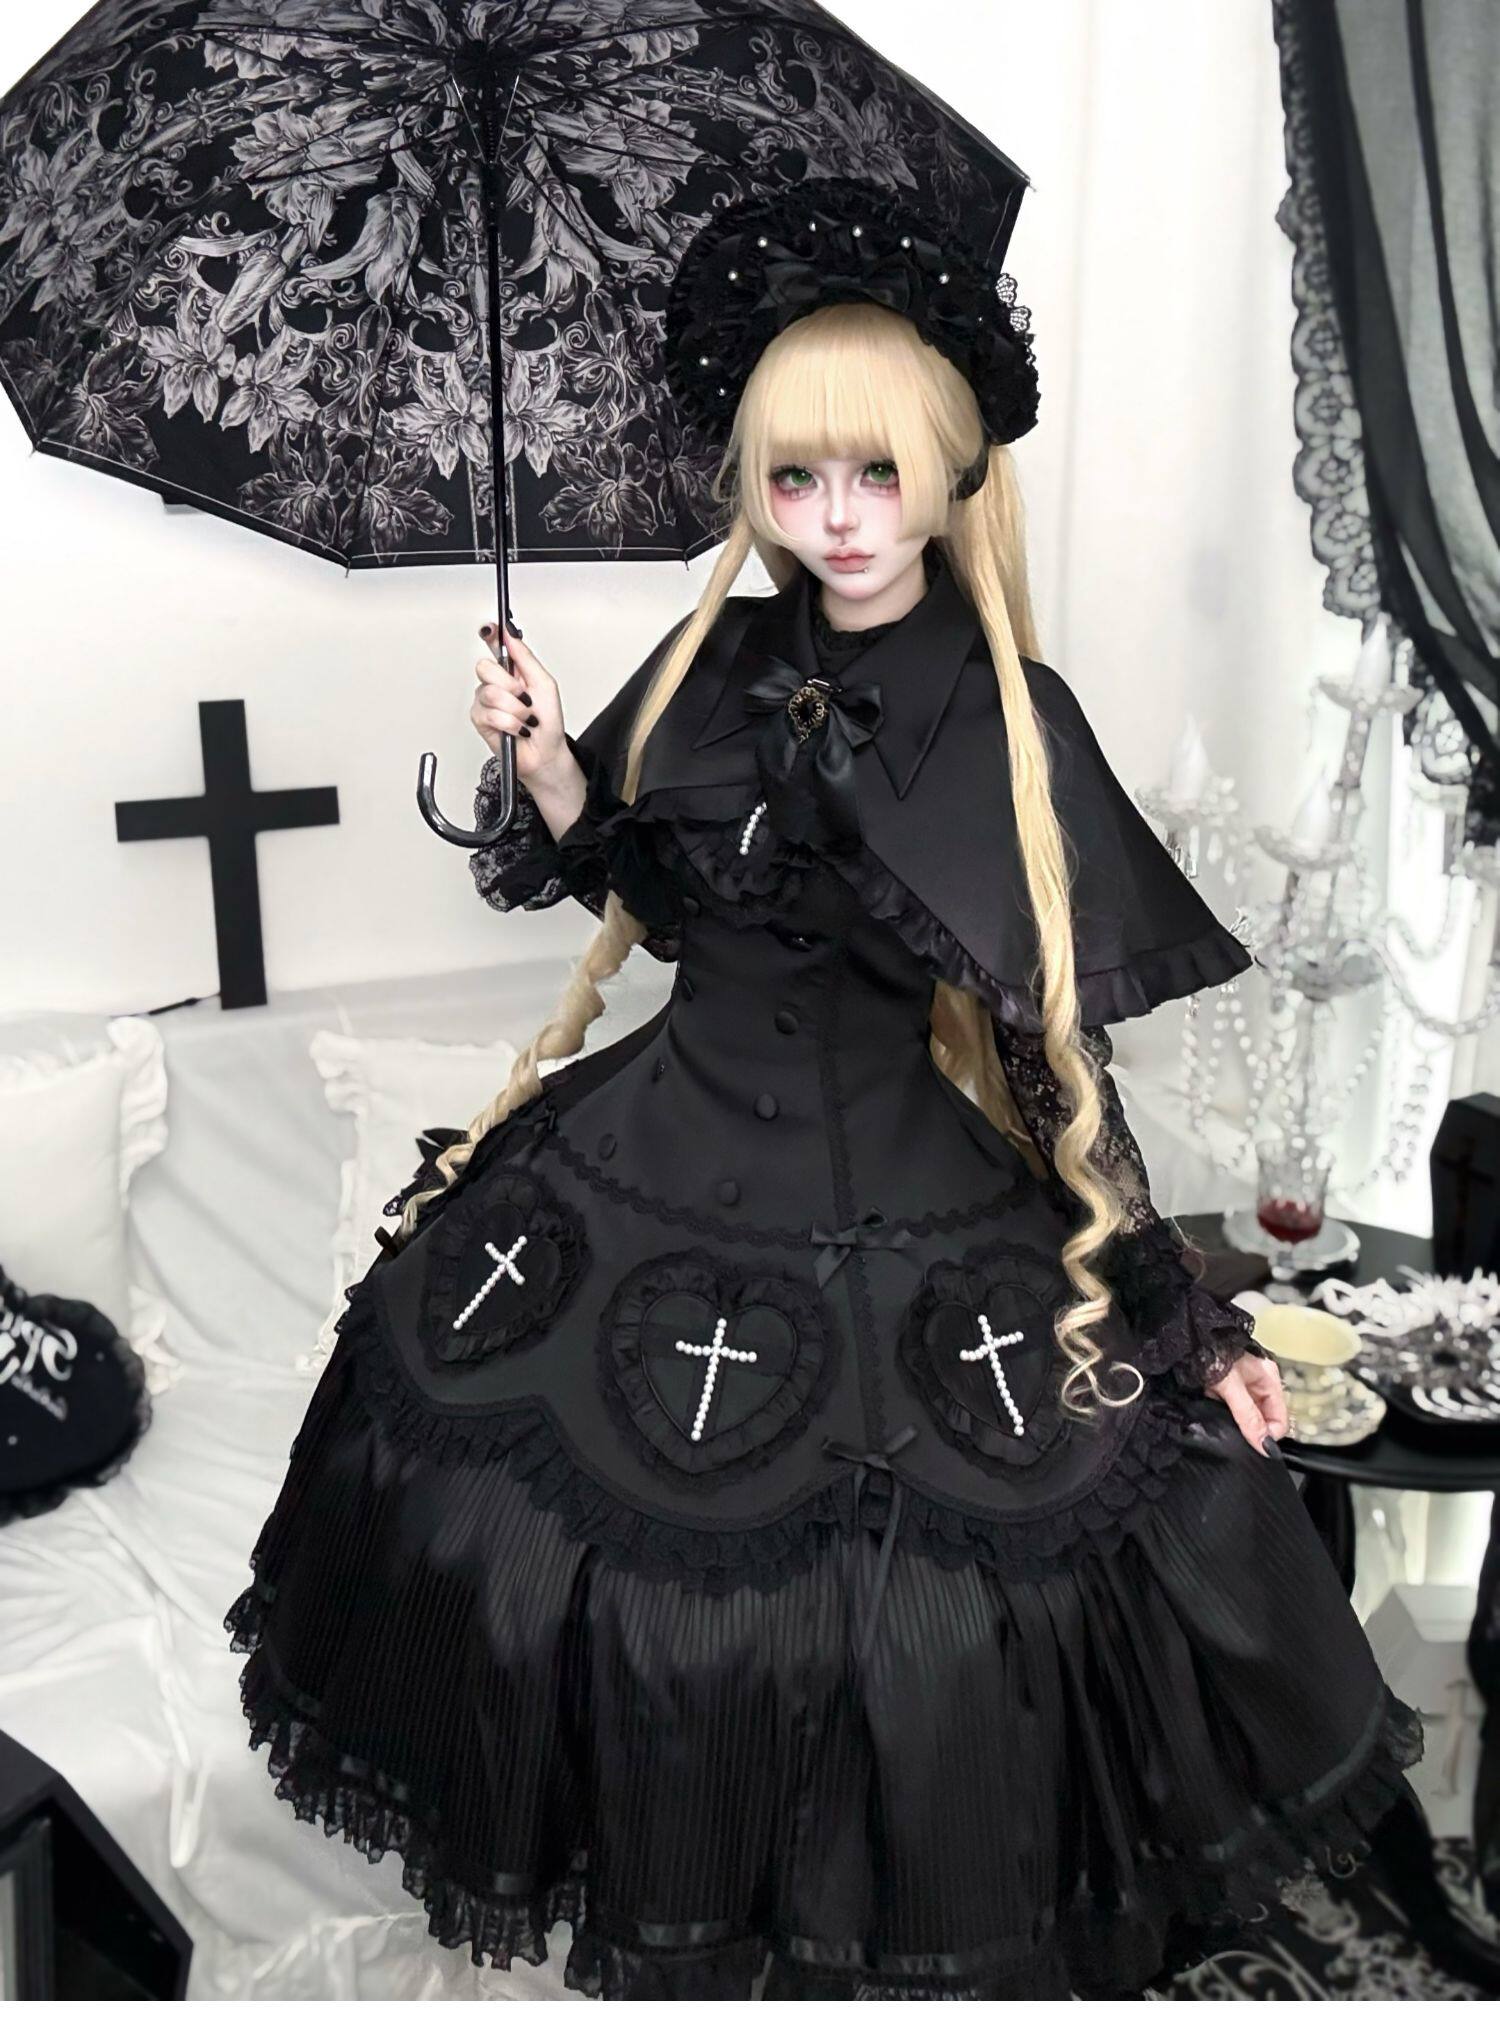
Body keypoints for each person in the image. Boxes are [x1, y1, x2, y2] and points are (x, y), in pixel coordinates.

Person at [226, 179, 1420, 2000]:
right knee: (589, 1547)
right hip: (653, 1150)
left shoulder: (1006, 710)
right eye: (795, 478)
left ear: (949, 473)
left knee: (971, 1580)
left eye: (874, 473)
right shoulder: (717, 659)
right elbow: (644, 881)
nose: (838, 516)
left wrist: (1185, 1322)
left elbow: (1056, 1051)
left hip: (895, 1192)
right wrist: (548, 759)